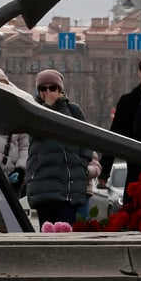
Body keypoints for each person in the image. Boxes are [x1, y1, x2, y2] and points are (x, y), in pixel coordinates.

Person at [25, 69, 97, 226]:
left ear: (60, 90)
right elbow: (38, 132)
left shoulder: (73, 110)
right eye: (43, 89)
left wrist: (82, 164)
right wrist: (48, 106)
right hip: (44, 182)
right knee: (48, 229)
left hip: (69, 183)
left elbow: (87, 140)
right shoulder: (32, 109)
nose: (48, 92)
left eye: (53, 88)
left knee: (65, 228)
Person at [99, 54, 141, 200]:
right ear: (139, 72)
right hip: (136, 169)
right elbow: (115, 135)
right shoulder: (127, 101)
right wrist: (105, 171)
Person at [0, 68, 29, 196]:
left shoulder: (17, 113)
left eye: (5, 85)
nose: (2, 89)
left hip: (10, 177)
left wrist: (21, 169)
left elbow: (26, 145)